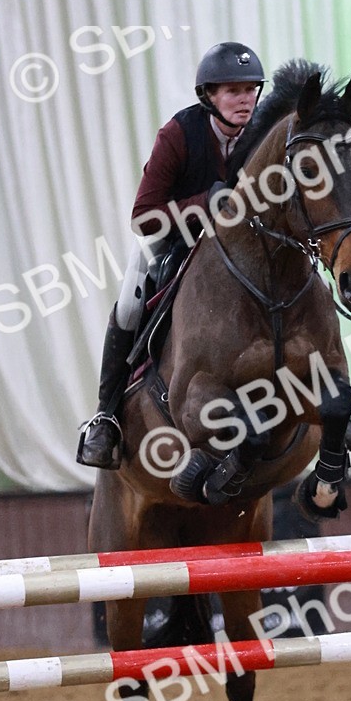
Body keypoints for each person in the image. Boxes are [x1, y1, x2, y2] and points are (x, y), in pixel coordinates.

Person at [77, 41, 265, 469]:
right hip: (175, 242)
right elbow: (144, 217)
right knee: (129, 302)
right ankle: (106, 416)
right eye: (232, 90)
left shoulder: (262, 134)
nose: (245, 99)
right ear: (209, 96)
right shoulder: (179, 134)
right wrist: (204, 202)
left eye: (251, 89)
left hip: (241, 249)